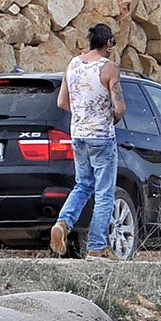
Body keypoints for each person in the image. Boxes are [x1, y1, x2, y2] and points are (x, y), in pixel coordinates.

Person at [52, 23, 126, 258]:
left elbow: (62, 102)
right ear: (107, 43)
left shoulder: (73, 64)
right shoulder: (109, 68)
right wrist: (111, 116)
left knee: (83, 184)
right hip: (101, 136)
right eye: (112, 43)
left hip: (79, 134)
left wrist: (83, 114)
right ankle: (96, 246)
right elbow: (120, 106)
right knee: (104, 192)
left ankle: (63, 222)